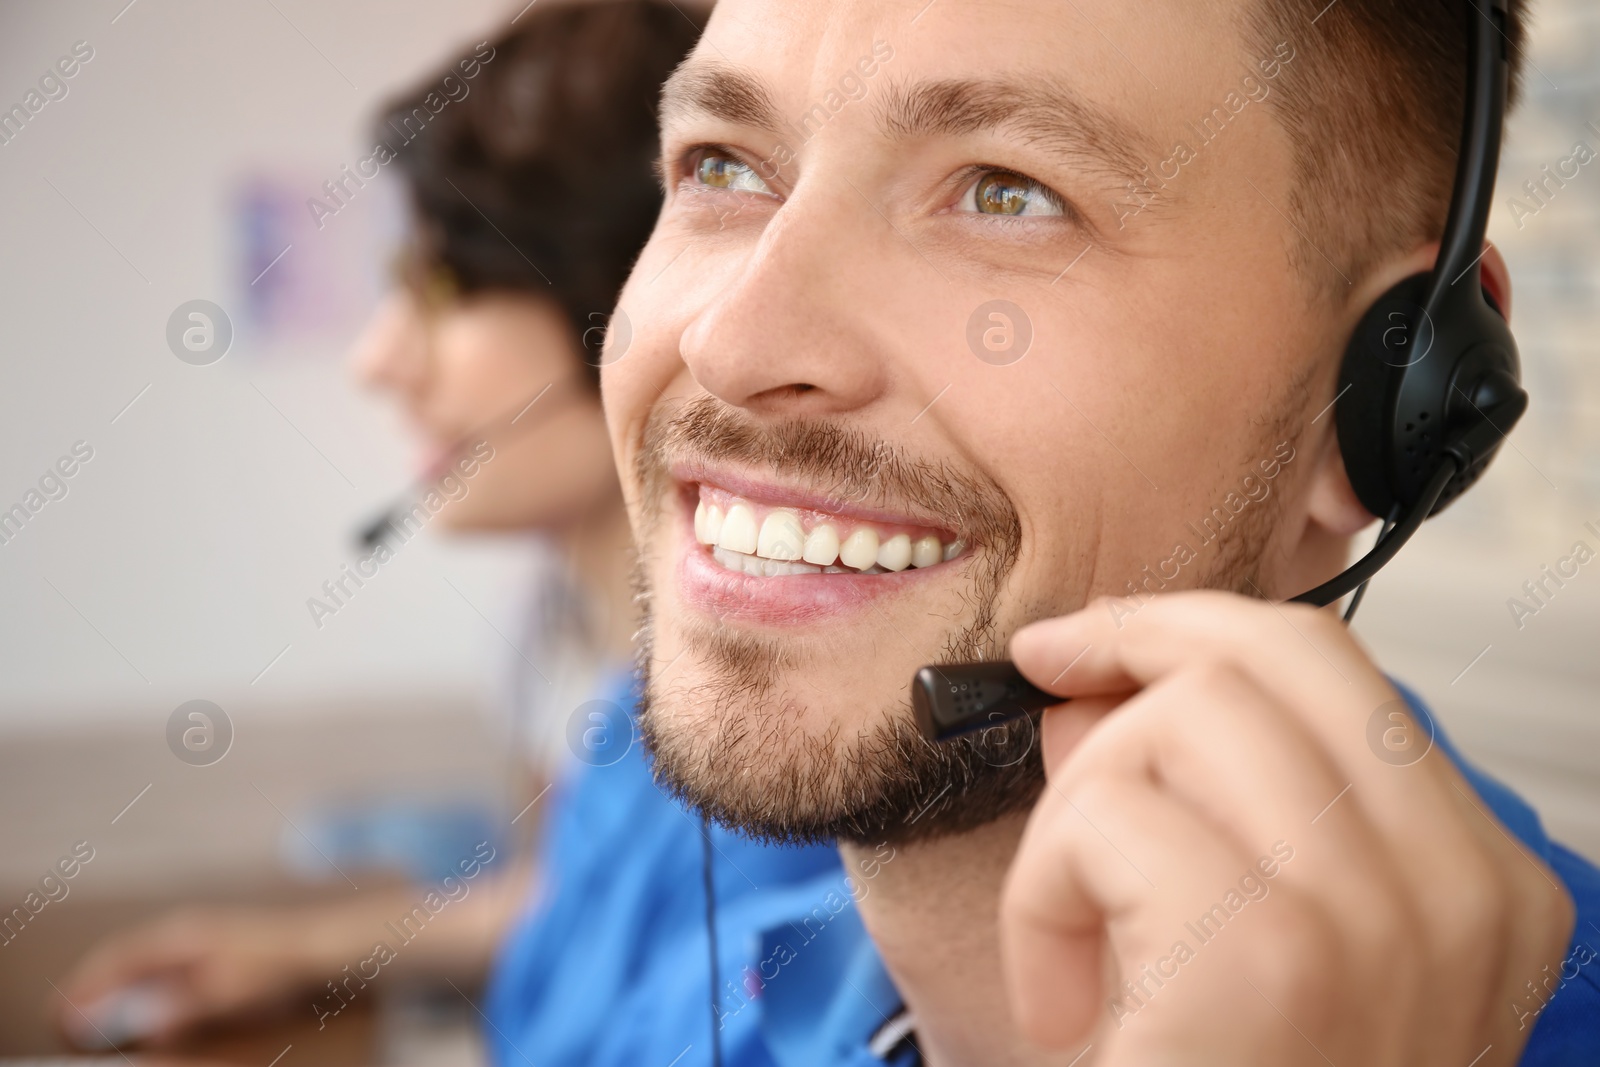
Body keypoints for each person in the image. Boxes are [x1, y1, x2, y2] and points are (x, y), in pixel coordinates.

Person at [529, 0, 1600, 1065]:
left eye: (1007, 193)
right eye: (721, 165)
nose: (732, 341)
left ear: (1390, 396)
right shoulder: (697, 1020)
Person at [55, 0, 713, 1047]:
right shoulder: (576, 651)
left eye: (440, 289)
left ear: (625, 301)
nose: (375, 358)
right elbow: (572, 904)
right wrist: (300, 947)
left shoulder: (756, 748)